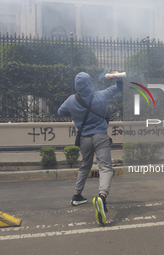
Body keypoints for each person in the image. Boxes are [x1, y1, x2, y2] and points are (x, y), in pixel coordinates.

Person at [58, 71, 123, 224]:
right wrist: (117, 78)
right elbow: (119, 88)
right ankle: (102, 197)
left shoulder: (70, 100)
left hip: (84, 139)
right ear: (90, 83)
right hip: (100, 136)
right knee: (105, 168)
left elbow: (60, 112)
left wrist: (75, 113)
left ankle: (77, 195)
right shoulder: (101, 95)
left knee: (85, 166)